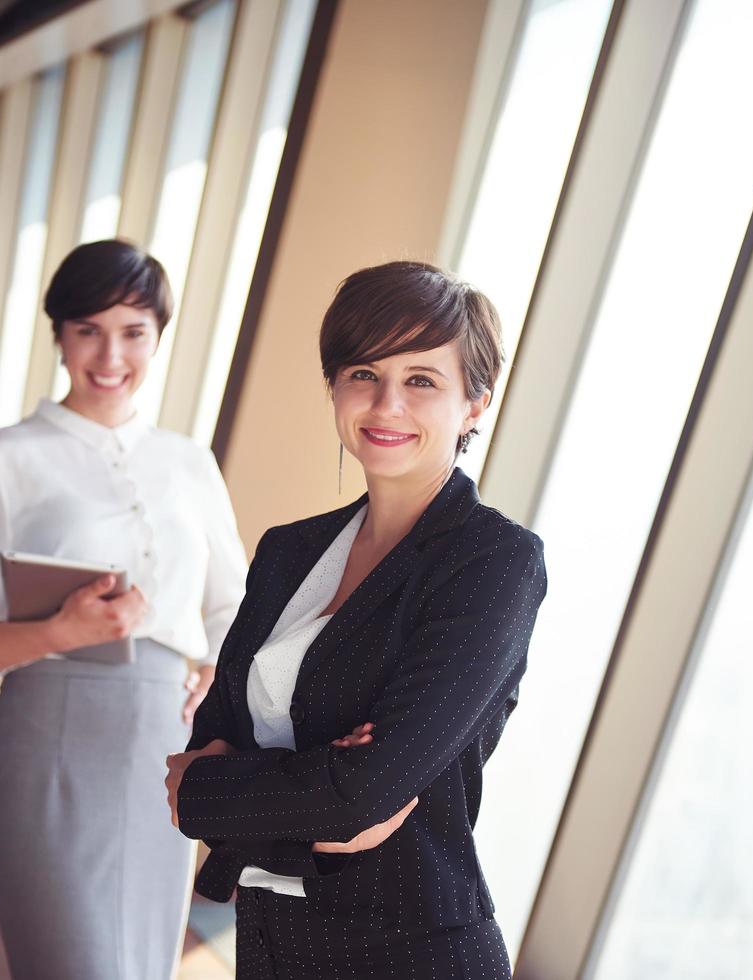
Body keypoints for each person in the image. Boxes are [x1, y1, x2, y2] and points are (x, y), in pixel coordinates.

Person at [166, 261, 549, 978]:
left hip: (409, 950)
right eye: (363, 374)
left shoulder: (492, 562)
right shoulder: (289, 551)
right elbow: (208, 745)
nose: (385, 405)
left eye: (421, 381)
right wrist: (318, 803)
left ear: (475, 404)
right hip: (271, 942)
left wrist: (224, 791)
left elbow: (362, 793)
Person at [0, 240, 248, 980]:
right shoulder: (5, 458)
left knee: (142, 965)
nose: (110, 354)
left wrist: (217, 675)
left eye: (133, 331)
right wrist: (57, 630)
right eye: (88, 330)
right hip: (48, 744)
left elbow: (235, 605)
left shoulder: (187, 462)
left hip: (171, 753)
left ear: (158, 336)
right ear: (59, 336)